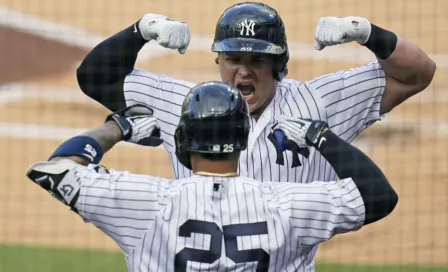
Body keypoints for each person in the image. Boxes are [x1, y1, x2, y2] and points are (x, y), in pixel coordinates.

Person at [26, 81, 398, 271]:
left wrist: (118, 128)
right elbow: (379, 196)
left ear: (183, 138)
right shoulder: (287, 205)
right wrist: (321, 137)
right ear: (243, 138)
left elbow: (57, 168)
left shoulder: (146, 202)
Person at [76, 2, 435, 185]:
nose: (243, 71)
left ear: (279, 63)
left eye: (257, 60)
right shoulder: (186, 104)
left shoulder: (320, 102)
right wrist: (142, 29)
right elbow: (94, 78)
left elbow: (417, 73)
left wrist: (366, 32)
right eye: (233, 59)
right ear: (218, 59)